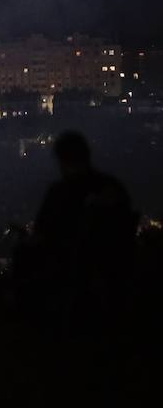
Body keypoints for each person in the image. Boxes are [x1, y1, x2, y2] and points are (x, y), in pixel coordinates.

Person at [23, 131, 135, 320]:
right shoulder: (111, 186)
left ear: (61, 160)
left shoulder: (59, 193)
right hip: (112, 267)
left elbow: (43, 233)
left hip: (69, 268)